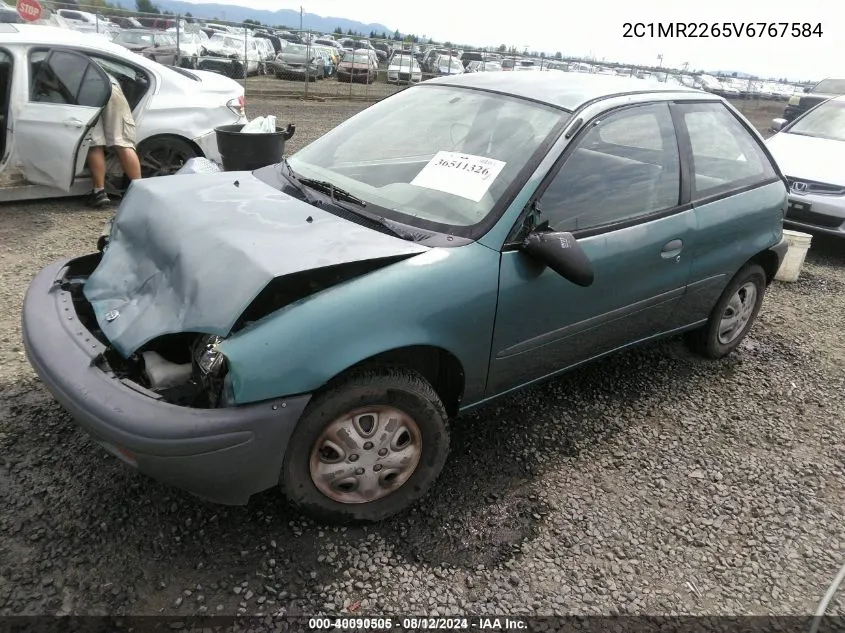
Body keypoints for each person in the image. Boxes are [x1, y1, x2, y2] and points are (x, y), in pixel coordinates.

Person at [85, 75, 142, 207]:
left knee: (94, 143)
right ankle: (140, 192)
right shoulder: (96, 59)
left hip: (82, 92)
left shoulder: (55, 59)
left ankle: (99, 192)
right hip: (107, 85)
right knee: (122, 142)